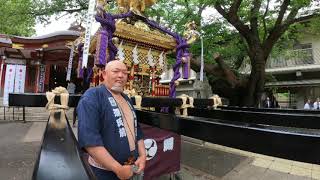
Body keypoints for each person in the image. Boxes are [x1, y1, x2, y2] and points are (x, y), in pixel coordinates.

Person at [77, 60, 146, 180]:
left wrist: (143, 155)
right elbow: (90, 140)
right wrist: (117, 169)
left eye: (125, 73)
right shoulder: (93, 96)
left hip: (132, 167)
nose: (121, 75)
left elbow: (137, 130)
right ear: (104, 74)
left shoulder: (126, 98)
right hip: (105, 172)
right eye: (116, 71)